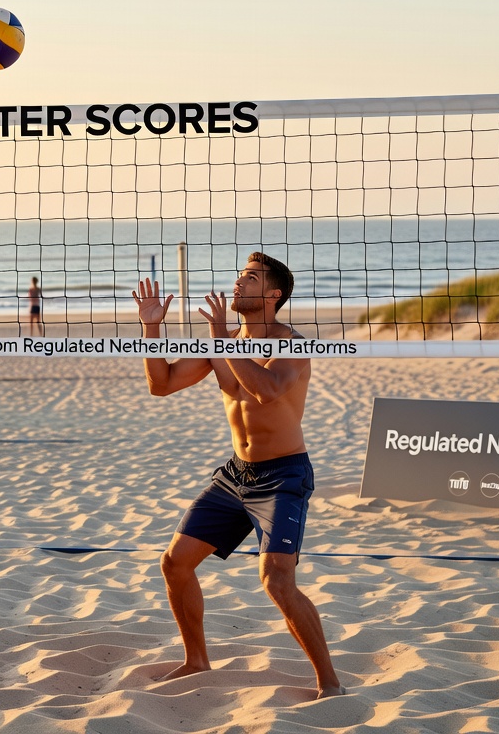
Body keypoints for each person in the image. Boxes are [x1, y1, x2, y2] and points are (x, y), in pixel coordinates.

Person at [130, 253, 344, 698]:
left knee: (277, 581)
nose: (238, 283)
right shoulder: (223, 343)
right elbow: (161, 384)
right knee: (174, 563)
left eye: (250, 278)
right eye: (239, 276)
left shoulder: (291, 343)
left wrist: (219, 341)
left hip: (283, 476)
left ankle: (330, 683)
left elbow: (265, 391)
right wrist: (152, 329)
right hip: (235, 475)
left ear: (273, 294)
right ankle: (196, 660)